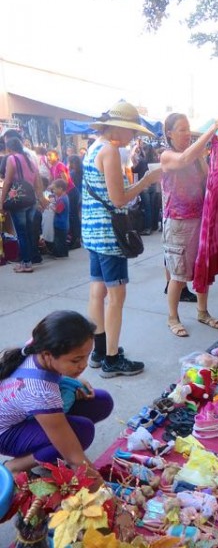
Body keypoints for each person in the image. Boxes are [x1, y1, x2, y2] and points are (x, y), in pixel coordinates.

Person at [82, 100, 161, 377]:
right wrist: (148, 180)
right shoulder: (111, 151)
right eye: (132, 131)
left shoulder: (92, 148)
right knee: (116, 296)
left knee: (97, 291)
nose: (134, 137)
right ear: (118, 128)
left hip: (92, 231)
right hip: (109, 234)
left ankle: (99, 350)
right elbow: (119, 199)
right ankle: (112, 359)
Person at [0, 310, 113, 485]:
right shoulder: (39, 391)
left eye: (86, 357)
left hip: (22, 412)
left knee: (101, 401)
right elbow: (75, 459)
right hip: (6, 434)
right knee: (81, 432)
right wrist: (107, 497)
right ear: (47, 355)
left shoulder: (40, 344)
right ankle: (15, 466)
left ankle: (48, 450)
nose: (83, 365)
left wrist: (68, 378)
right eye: (76, 361)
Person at [161, 113, 218, 337]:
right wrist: (212, 130)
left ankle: (202, 311)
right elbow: (183, 159)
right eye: (181, 129)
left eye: (188, 129)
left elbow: (208, 179)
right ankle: (173, 317)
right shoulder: (167, 156)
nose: (187, 134)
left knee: (202, 268)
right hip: (178, 221)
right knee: (178, 274)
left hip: (200, 218)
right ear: (169, 133)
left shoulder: (197, 157)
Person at [0, 137, 47, 273]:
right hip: (31, 199)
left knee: (21, 233)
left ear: (9, 148)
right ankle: (28, 260)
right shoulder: (30, 160)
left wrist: (1, 202)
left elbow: (8, 181)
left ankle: (26, 263)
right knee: (28, 231)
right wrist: (41, 199)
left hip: (18, 200)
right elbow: (37, 182)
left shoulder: (12, 159)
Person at [47, 149, 81, 249]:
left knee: (73, 216)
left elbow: (65, 180)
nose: (48, 158)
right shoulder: (52, 167)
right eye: (47, 156)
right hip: (64, 193)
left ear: (57, 156)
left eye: (50, 155)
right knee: (70, 216)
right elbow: (52, 181)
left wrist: (62, 194)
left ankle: (77, 239)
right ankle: (72, 238)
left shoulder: (60, 165)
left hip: (70, 192)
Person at [49, 178, 70, 258]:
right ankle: (64, 253)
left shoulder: (62, 199)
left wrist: (51, 206)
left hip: (60, 224)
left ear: (60, 188)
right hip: (64, 223)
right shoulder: (65, 197)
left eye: (54, 189)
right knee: (63, 240)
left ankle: (59, 254)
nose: (53, 191)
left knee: (58, 240)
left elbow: (58, 211)